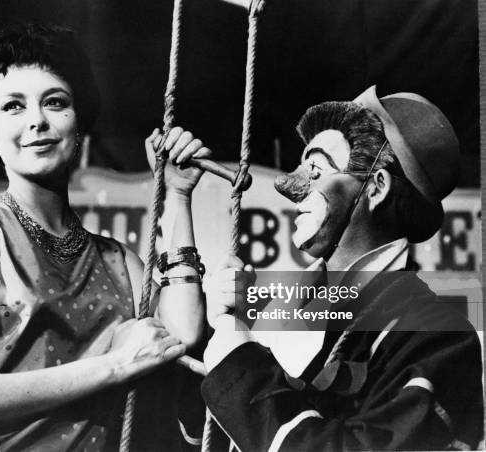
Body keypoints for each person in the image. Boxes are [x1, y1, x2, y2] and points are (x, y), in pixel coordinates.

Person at [0, 23, 211, 451]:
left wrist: (176, 195)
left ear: (78, 128)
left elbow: (183, 334)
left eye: (55, 102)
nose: (37, 120)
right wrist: (116, 365)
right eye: (13, 106)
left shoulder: (120, 261)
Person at [200, 86, 483, 450]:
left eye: (315, 169)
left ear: (376, 187)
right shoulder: (282, 310)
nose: (288, 186)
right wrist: (225, 329)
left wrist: (240, 368)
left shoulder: (436, 335)